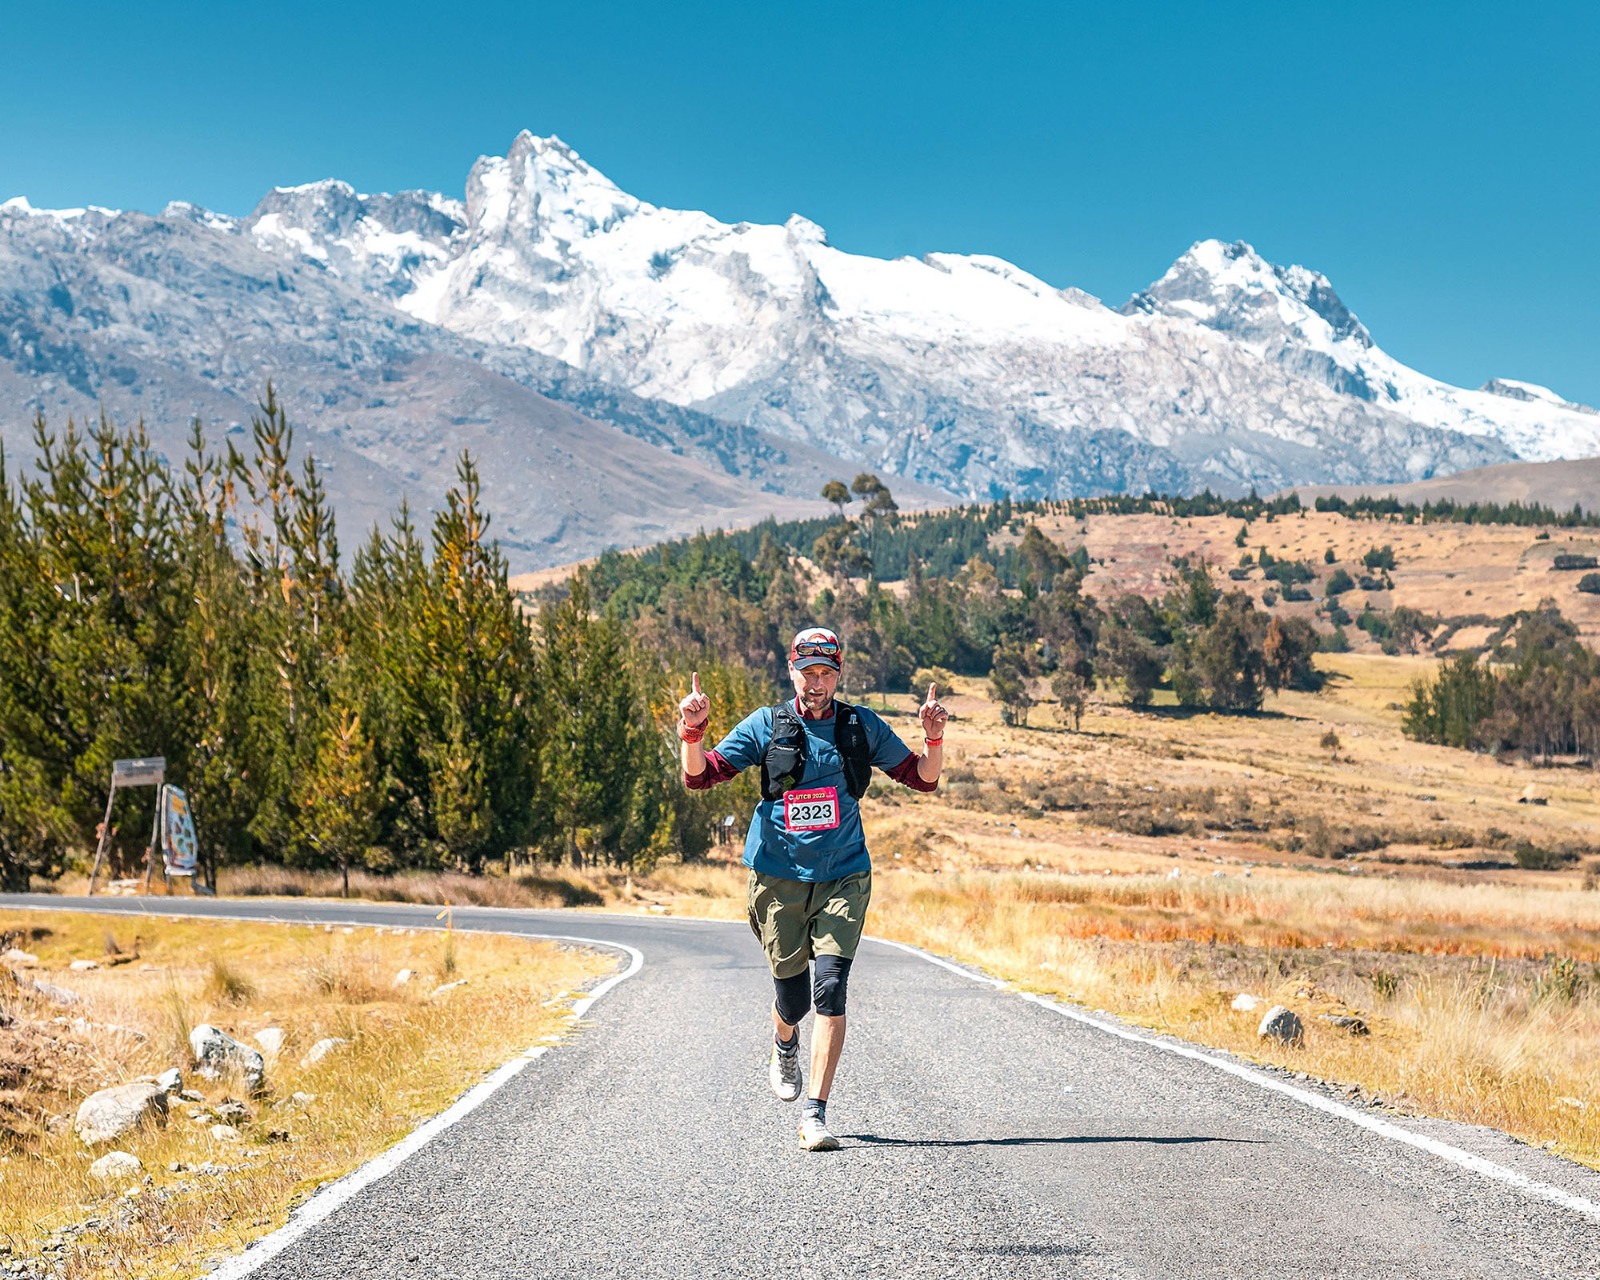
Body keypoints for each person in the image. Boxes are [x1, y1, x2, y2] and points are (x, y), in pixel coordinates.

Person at [678, 626, 948, 1151]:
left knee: (830, 986)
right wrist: (693, 732)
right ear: (792, 671)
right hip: (778, 875)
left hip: (844, 873)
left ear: (839, 674)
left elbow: (922, 778)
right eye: (808, 672)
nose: (817, 682)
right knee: (793, 994)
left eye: (826, 673)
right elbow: (701, 776)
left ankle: (815, 1114)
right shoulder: (768, 724)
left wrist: (933, 738)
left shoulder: (859, 726)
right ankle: (784, 1042)